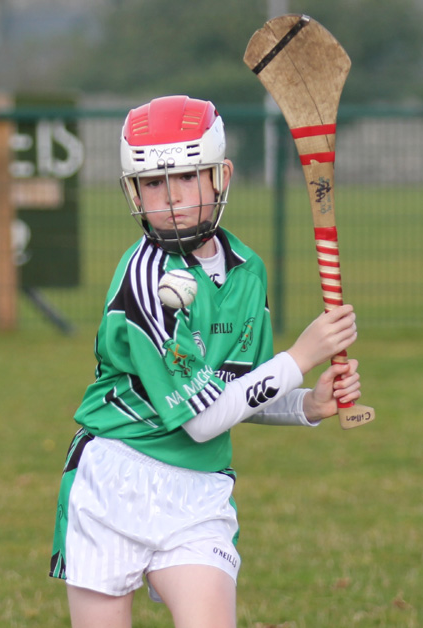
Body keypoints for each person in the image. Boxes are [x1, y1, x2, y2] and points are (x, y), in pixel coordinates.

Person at [49, 95, 361, 628]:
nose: (170, 199)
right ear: (133, 190)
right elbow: (203, 420)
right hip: (114, 481)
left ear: (221, 176)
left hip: (198, 491)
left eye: (188, 178)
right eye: (153, 183)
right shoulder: (145, 278)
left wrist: (307, 402)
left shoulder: (247, 271)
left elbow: (237, 392)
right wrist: (300, 355)